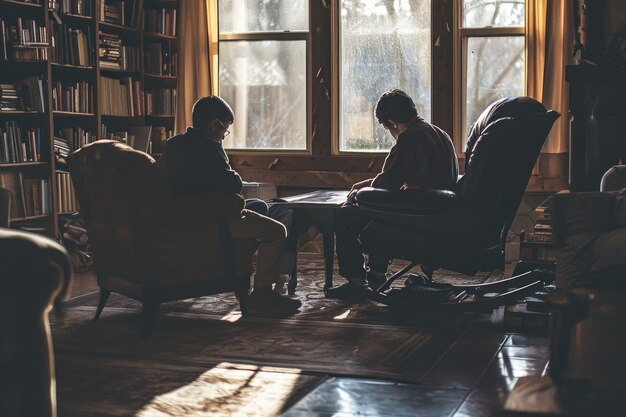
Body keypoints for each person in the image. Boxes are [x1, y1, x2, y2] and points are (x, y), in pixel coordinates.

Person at [158, 96, 301, 315]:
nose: (223, 136)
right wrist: (219, 149)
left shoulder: (172, 145)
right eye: (224, 131)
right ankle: (262, 293)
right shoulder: (208, 147)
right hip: (214, 221)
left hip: (180, 218)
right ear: (215, 125)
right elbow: (234, 184)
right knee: (277, 230)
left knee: (259, 206)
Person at [325, 89, 459, 299]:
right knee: (382, 208)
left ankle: (356, 282)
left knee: (345, 215)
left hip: (417, 218)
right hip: (439, 215)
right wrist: (366, 184)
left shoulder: (410, 139)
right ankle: (377, 273)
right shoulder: (440, 134)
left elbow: (388, 184)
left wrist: (359, 191)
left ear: (391, 122)